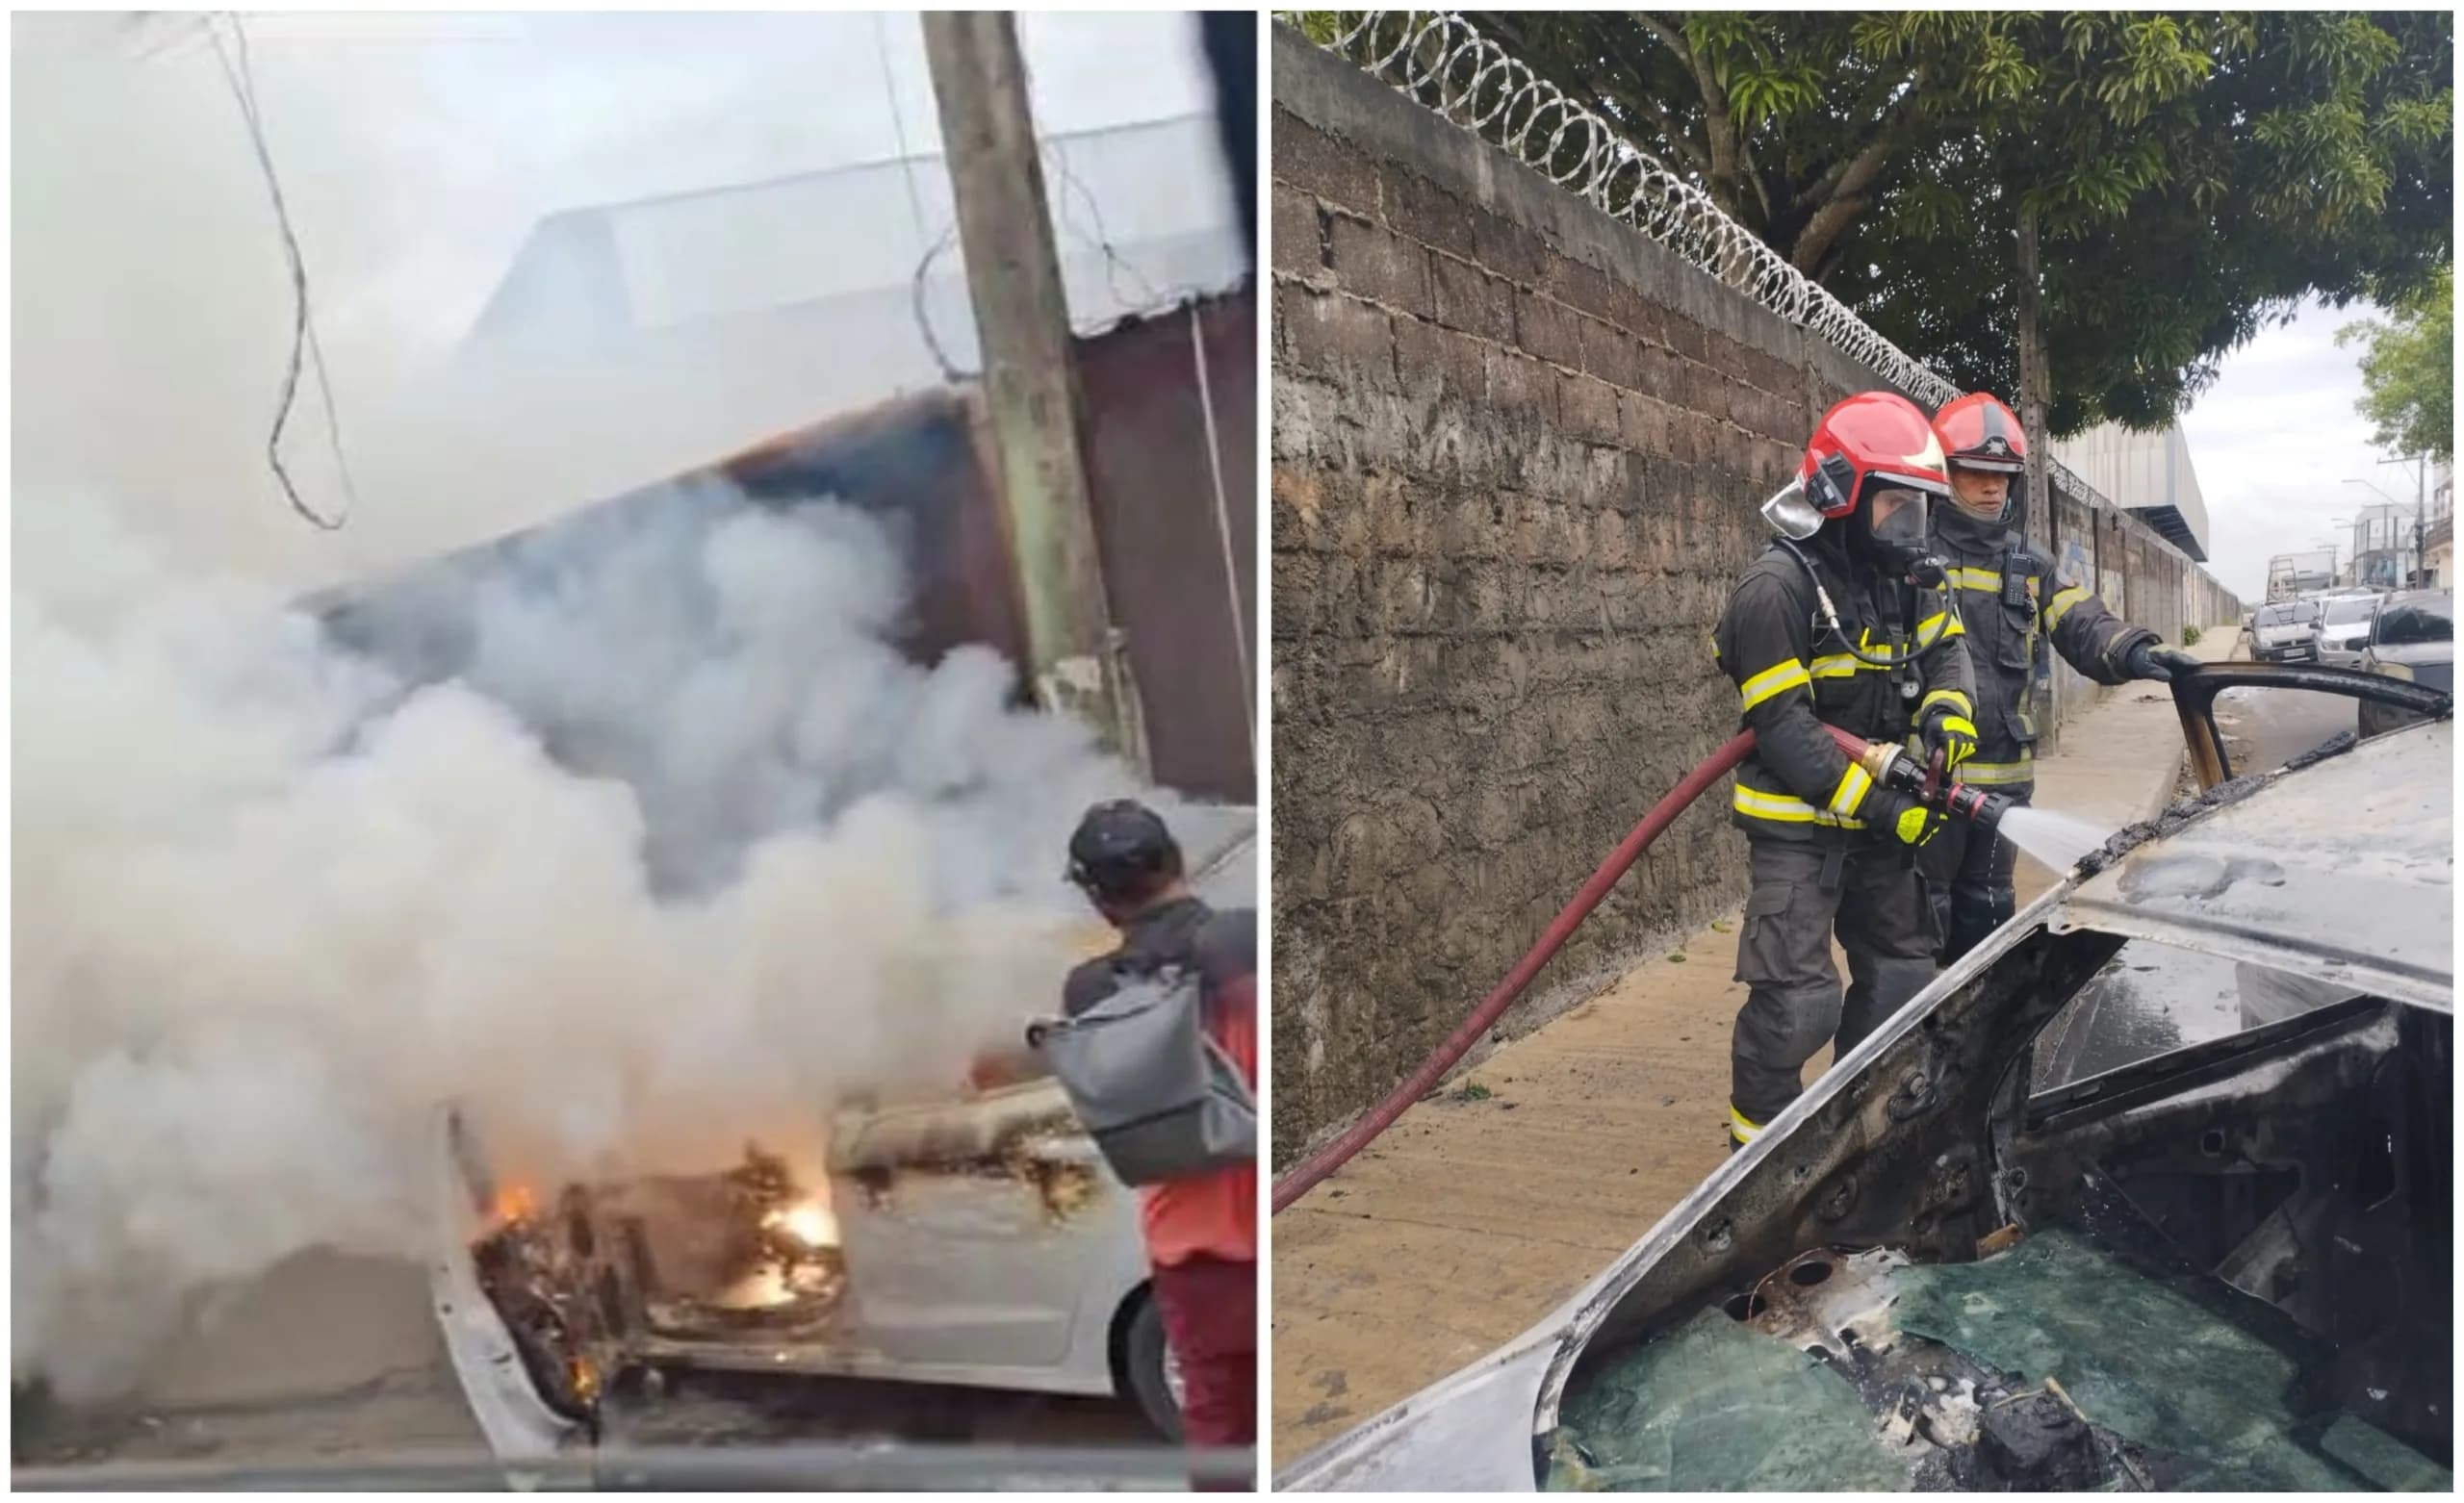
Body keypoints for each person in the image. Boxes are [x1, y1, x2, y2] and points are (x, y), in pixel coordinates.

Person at [1712, 391, 1979, 1152]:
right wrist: (1884, 808)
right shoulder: (1776, 589)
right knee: (1800, 1005)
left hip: (1880, 821)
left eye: (1919, 507)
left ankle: (1853, 1135)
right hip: (1801, 830)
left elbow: (1947, 651)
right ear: (1840, 493)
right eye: (1896, 503)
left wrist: (1950, 710)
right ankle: (1754, 1158)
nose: (1911, 525)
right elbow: (1787, 729)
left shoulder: (1905, 577)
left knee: (1901, 981)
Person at [1922, 392, 2197, 962]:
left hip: (2003, 782)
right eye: (1976, 471)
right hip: (1929, 783)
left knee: (1987, 913)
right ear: (1944, 472)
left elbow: (2083, 623)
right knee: (1921, 922)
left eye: (2003, 474)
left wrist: (2136, 651)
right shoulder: (1914, 556)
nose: (1992, 486)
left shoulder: (2030, 565)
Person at [1060, 800, 1256, 1471]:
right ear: (1177, 860)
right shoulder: (1246, 941)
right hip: (1279, 1222)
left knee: (1222, 1434)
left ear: (1098, 898)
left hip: (1193, 1259)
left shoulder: (1089, 992)